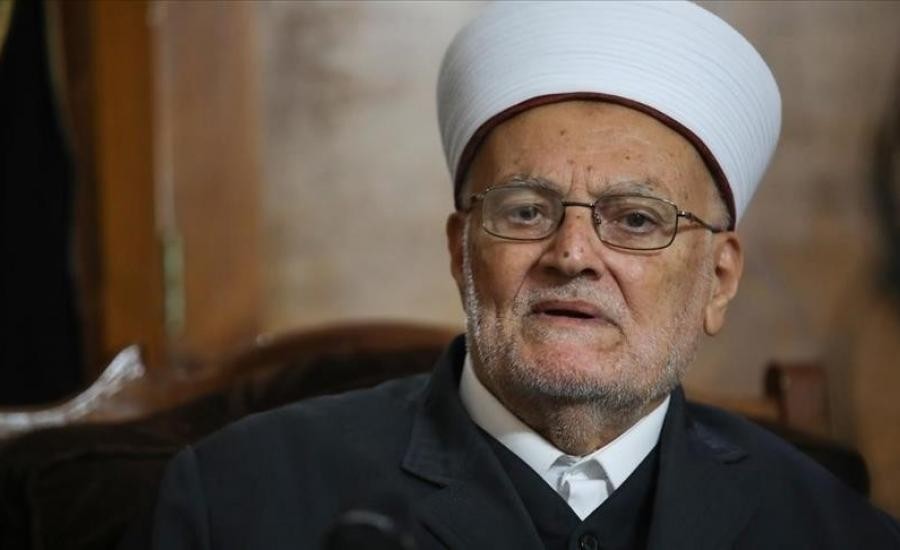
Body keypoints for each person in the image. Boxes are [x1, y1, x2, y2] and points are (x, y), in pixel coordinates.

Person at [128, 2, 900, 549]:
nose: (572, 253)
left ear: (719, 280)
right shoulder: (241, 499)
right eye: (527, 211)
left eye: (636, 219)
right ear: (460, 249)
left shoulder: (834, 531)